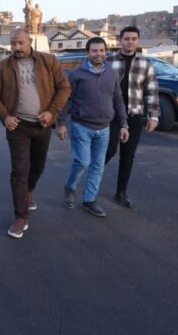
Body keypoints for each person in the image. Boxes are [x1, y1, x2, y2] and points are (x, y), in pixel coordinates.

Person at [0, 28, 70, 238]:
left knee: (38, 166)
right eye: (13, 43)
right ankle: (20, 216)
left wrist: (52, 113)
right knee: (19, 170)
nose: (16, 47)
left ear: (30, 41)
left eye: (20, 43)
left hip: (42, 125)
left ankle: (28, 190)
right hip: (17, 127)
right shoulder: (3, 66)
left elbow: (64, 88)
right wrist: (5, 117)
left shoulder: (48, 61)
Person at [57, 37, 128, 218]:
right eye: (94, 50)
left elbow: (118, 100)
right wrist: (61, 123)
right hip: (81, 126)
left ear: (106, 52)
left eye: (102, 50)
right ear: (87, 53)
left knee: (98, 166)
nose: (98, 54)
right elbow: (66, 100)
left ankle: (89, 201)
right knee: (82, 162)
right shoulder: (77, 75)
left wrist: (123, 124)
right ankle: (70, 186)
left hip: (104, 128)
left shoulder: (111, 73)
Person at [104, 26, 160, 209]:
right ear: (120, 40)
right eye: (126, 38)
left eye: (133, 39)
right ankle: (92, 180)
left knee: (128, 155)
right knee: (109, 150)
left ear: (138, 41)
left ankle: (121, 193)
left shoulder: (145, 63)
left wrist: (154, 116)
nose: (130, 42)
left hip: (134, 114)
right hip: (111, 115)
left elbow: (151, 91)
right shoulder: (108, 61)